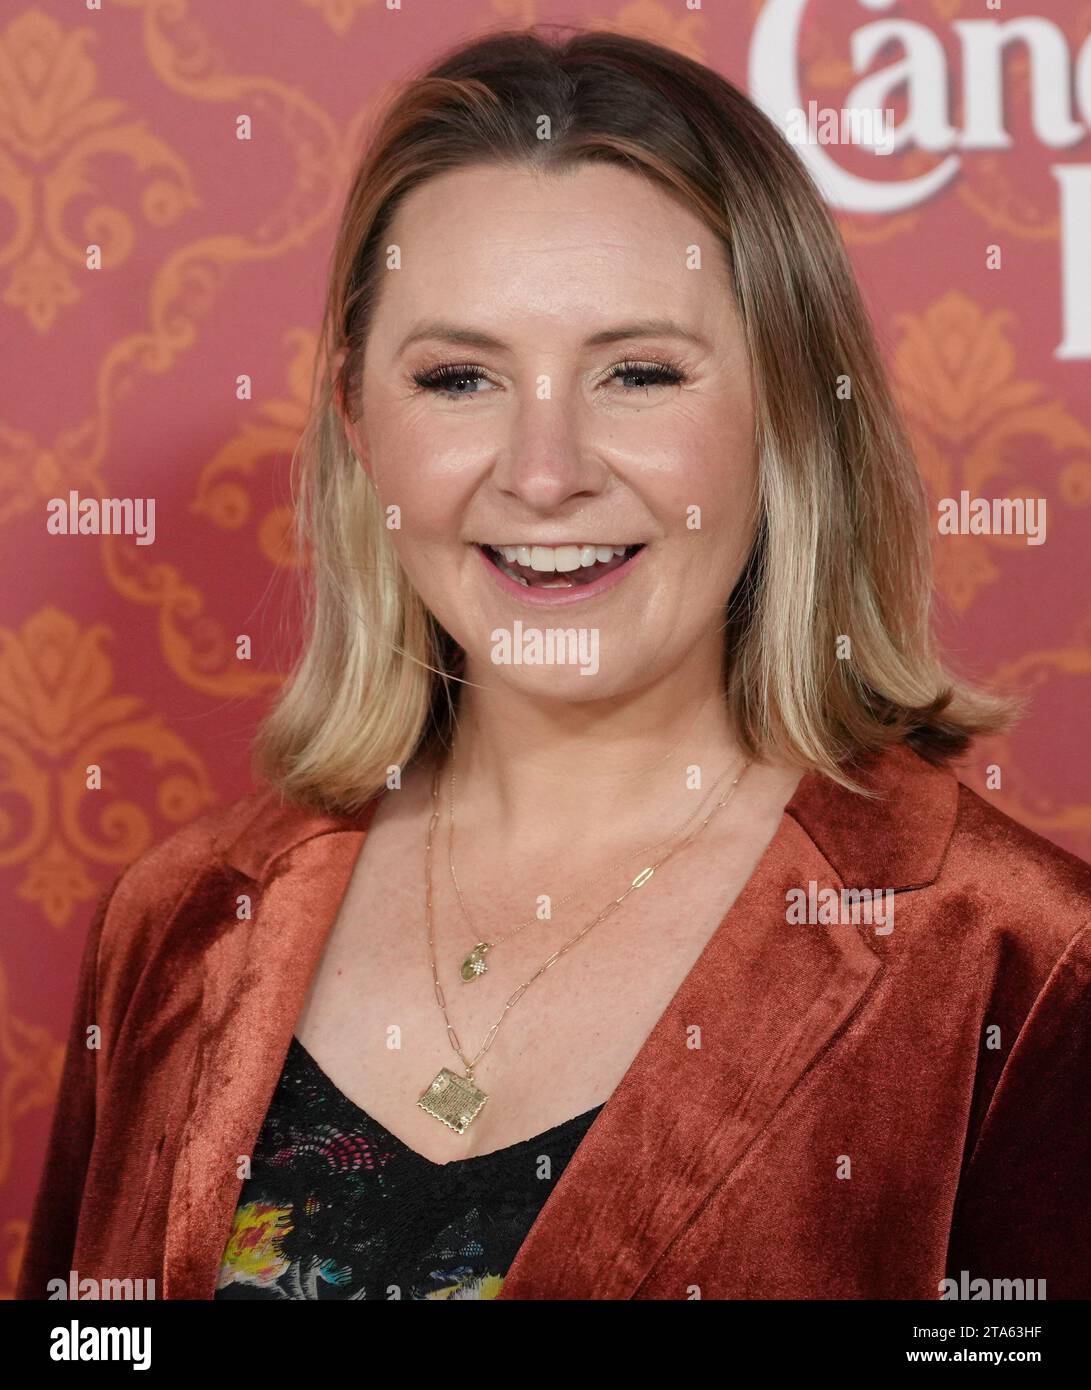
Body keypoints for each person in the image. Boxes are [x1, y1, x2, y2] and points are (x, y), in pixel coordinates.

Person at [17, 25, 1091, 1303]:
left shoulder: (1018, 967)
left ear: (793, 411)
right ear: (360, 422)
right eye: (458, 377)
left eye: (637, 372)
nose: (542, 471)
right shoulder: (183, 916)